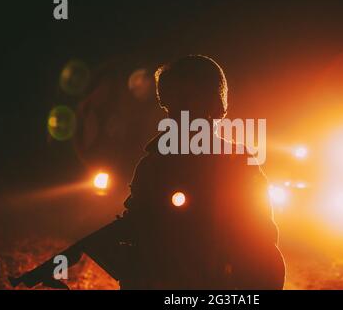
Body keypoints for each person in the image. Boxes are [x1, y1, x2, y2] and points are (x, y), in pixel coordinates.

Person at [120, 55, 285, 289]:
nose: (174, 114)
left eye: (185, 103)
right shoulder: (153, 166)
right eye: (168, 105)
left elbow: (262, 248)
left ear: (213, 106)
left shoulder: (236, 164)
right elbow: (135, 240)